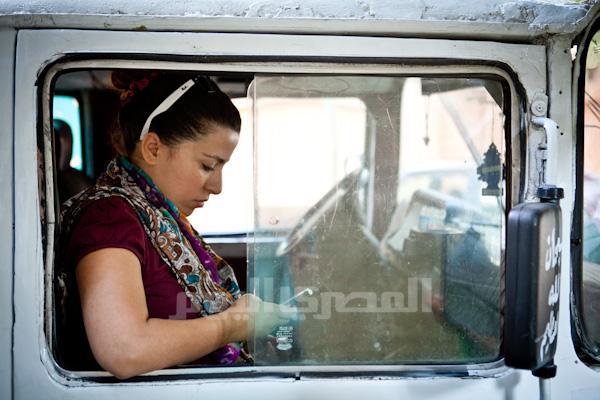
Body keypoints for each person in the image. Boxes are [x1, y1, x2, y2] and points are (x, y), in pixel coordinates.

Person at [56, 70, 293, 379]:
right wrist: (236, 322)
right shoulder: (109, 218)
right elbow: (124, 350)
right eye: (208, 165)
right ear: (153, 148)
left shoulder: (161, 219)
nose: (217, 185)